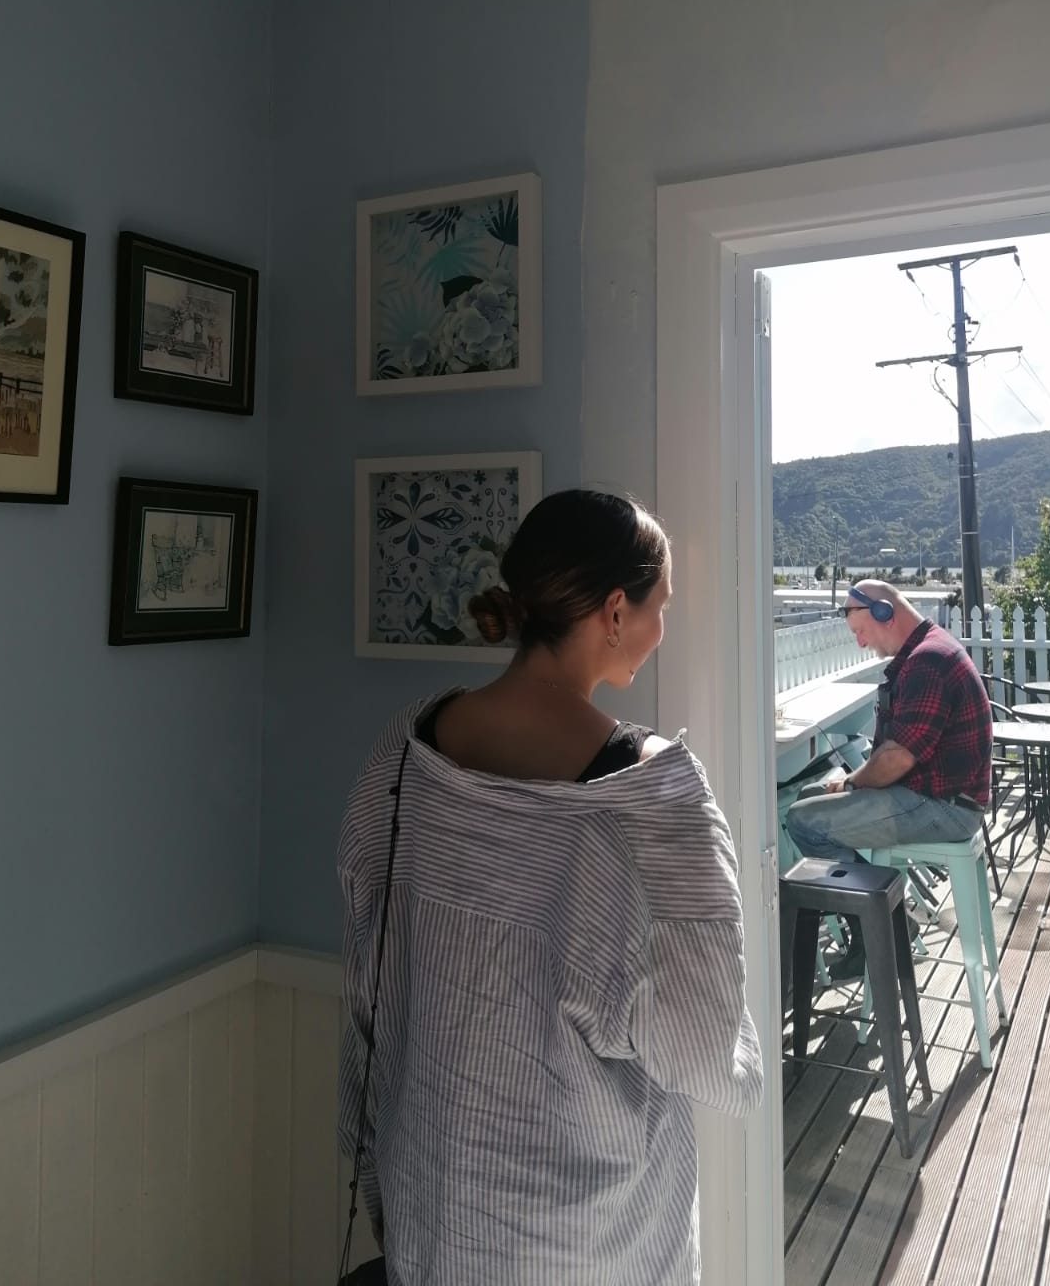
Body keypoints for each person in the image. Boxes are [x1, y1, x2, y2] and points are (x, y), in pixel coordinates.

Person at [337, 490, 763, 1286]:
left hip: (433, 1200)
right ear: (614, 611)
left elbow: (368, 971)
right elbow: (706, 1056)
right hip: (590, 1242)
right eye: (661, 607)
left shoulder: (404, 751)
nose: (661, 631)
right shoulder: (656, 803)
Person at [784, 579, 992, 979]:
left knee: (802, 820)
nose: (861, 643)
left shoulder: (928, 661)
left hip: (946, 808)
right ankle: (887, 918)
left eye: (861, 632)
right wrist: (850, 783)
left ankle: (878, 928)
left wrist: (850, 784)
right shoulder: (928, 650)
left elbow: (897, 757)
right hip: (939, 796)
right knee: (810, 796)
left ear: (884, 613)